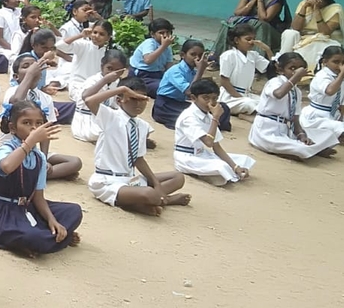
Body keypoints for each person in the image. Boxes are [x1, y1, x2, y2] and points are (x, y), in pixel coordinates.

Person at [0, 101, 82, 256]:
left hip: (26, 207)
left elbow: (38, 197)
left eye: (39, 123)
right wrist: (30, 141)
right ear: (13, 128)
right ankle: (46, 239)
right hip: (3, 210)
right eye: (27, 123)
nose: (34, 128)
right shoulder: (6, 149)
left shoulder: (39, 157)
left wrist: (51, 220)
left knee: (74, 211)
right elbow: (6, 167)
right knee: (32, 236)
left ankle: (44, 235)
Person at [84, 74, 191, 215]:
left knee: (177, 177)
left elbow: (138, 158)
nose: (138, 104)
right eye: (133, 98)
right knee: (148, 193)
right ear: (119, 100)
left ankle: (147, 201)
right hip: (108, 181)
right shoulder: (111, 117)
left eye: (143, 99)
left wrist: (157, 184)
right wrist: (121, 89)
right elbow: (89, 100)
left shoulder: (142, 126)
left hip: (130, 180)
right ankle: (162, 200)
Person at [249, 53, 340, 160]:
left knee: (329, 135)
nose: (296, 72)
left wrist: (301, 135)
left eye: (299, 69)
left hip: (284, 129)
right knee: (299, 149)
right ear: (280, 69)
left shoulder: (297, 91)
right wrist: (295, 77)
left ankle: (309, 149)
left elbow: (295, 119)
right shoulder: (274, 82)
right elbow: (278, 94)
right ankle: (307, 150)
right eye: (292, 68)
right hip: (266, 130)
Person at [5, 54, 82, 178]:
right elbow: (17, 102)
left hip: (35, 151)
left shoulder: (45, 98)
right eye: (26, 67)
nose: (32, 69)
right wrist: (30, 74)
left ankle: (39, 174)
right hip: (14, 150)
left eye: (35, 67)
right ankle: (40, 176)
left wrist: (43, 159)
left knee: (75, 162)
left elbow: (46, 132)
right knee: (17, 168)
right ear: (16, 76)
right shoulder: (13, 92)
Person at [174, 79, 255, 186]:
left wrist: (235, 167)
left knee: (242, 160)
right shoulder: (189, 117)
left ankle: (220, 174)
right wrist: (216, 117)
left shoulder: (208, 116)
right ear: (193, 98)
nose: (211, 103)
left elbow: (216, 146)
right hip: (186, 157)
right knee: (221, 166)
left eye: (214, 99)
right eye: (206, 98)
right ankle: (206, 175)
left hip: (202, 154)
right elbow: (208, 142)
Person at [153, 40, 231, 131]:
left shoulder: (193, 72)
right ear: (182, 55)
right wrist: (201, 70)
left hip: (179, 103)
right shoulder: (175, 71)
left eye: (200, 55)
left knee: (223, 108)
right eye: (193, 54)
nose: (197, 58)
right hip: (166, 106)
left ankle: (213, 123)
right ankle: (212, 124)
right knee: (193, 117)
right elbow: (189, 92)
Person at [213, 0, 290, 53]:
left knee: (261, 25)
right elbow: (237, 13)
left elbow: (264, 19)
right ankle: (217, 56)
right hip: (249, 29)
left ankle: (258, 58)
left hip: (270, 32)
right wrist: (253, 1)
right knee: (230, 21)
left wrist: (260, 0)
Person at [280, 0, 344, 68]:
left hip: (323, 40)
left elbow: (325, 32)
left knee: (316, 42)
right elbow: (295, 27)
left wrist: (317, 10)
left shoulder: (336, 9)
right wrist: (304, 8)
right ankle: (282, 63)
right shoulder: (303, 3)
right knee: (289, 33)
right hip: (303, 37)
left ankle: (305, 70)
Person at [71, 48, 128, 143]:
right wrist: (104, 80)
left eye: (118, 70)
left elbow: (115, 106)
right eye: (109, 68)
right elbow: (85, 96)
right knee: (109, 132)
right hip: (86, 121)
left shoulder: (117, 83)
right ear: (102, 66)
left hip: (104, 118)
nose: (113, 73)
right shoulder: (93, 81)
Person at [218, 23, 274, 116]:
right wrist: (239, 97)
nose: (251, 42)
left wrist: (267, 49)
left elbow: (272, 68)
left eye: (253, 39)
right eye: (248, 39)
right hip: (230, 96)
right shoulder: (228, 55)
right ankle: (246, 114)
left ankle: (246, 113)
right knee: (249, 103)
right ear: (236, 40)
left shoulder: (253, 55)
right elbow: (224, 81)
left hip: (247, 95)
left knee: (269, 103)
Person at [128, 17, 175, 97]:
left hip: (157, 74)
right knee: (163, 88)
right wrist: (163, 46)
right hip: (142, 75)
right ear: (152, 34)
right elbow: (148, 60)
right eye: (161, 33)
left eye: (168, 32)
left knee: (173, 86)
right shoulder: (149, 43)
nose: (165, 35)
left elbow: (169, 67)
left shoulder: (168, 47)